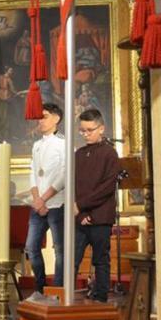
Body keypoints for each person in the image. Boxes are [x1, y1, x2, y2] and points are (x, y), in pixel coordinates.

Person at [73, 109, 121, 303]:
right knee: (72, 259)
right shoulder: (78, 154)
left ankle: (101, 298)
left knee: (101, 260)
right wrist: (80, 214)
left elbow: (107, 187)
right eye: (82, 131)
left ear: (101, 129)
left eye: (90, 130)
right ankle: (65, 297)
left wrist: (83, 206)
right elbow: (74, 185)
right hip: (81, 217)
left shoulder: (110, 153)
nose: (86, 134)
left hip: (101, 217)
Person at [25, 103, 66, 297]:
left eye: (45, 117)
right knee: (31, 247)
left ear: (56, 119)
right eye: (39, 118)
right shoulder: (37, 145)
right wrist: (36, 199)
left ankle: (57, 291)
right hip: (38, 205)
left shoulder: (64, 144)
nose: (40, 121)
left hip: (56, 203)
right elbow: (33, 173)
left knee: (59, 249)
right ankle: (40, 288)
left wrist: (44, 199)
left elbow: (64, 176)